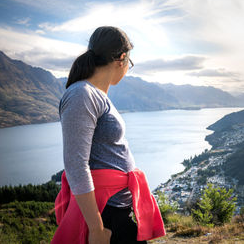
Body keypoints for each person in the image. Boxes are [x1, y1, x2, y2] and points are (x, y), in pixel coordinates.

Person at [52, 26, 165, 244]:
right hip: (105, 215)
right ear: (121, 58)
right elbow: (76, 165)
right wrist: (96, 229)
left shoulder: (95, 94)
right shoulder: (81, 94)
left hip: (116, 210)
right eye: (129, 64)